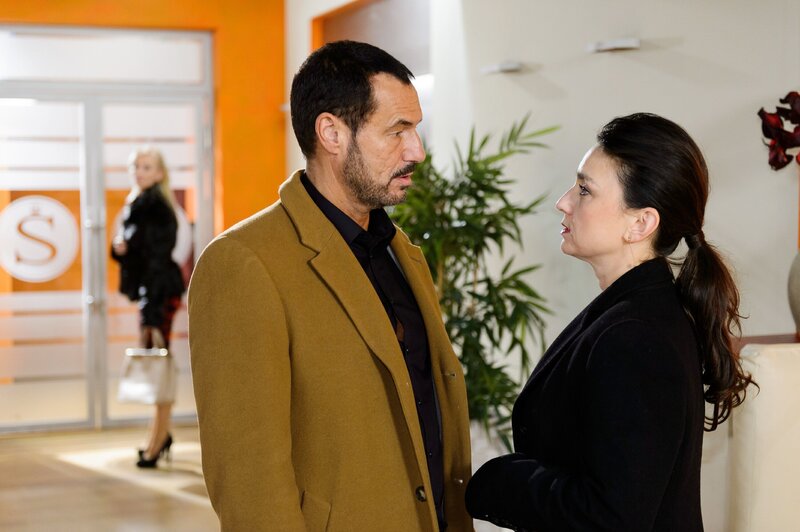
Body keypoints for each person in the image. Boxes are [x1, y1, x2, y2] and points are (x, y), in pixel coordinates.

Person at [188, 41, 472, 531]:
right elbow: (249, 484)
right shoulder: (242, 263)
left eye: (416, 129)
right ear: (331, 133)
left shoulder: (403, 253)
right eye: (397, 131)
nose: (417, 151)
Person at [465, 113, 755, 531]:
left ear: (640, 223)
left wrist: (497, 479)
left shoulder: (635, 336)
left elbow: (612, 518)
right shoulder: (632, 314)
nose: (563, 202)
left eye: (584, 190)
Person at [111, 147, 185, 468]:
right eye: (137, 166)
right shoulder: (140, 203)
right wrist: (122, 249)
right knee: (158, 361)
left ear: (159, 173)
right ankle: (158, 436)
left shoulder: (154, 206)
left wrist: (150, 308)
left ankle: (157, 440)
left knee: (159, 364)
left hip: (157, 293)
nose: (139, 172)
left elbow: (155, 258)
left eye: (147, 167)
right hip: (153, 292)